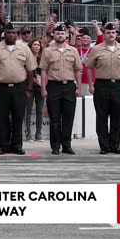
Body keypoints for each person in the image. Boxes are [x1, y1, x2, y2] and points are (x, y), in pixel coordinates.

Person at [0, 22, 37, 155]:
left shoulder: (24, 49)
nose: (11, 35)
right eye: (9, 32)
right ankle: (4, 146)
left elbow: (30, 70)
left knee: (18, 117)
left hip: (19, 88)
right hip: (1, 88)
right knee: (2, 118)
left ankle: (17, 145)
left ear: (17, 34)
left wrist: (29, 89)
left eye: (14, 32)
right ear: (4, 34)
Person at [86, 23, 120, 154]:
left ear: (116, 34)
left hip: (118, 86)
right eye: (108, 33)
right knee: (101, 117)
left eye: (113, 33)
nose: (111, 35)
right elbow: (89, 67)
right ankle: (104, 146)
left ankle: (115, 145)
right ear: (104, 33)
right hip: (102, 85)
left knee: (117, 117)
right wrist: (91, 84)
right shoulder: (96, 49)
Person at [40, 25, 82, 155]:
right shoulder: (48, 51)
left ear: (66, 36)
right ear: (54, 35)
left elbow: (78, 70)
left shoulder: (73, 51)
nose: (60, 35)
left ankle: (67, 145)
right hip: (54, 85)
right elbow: (44, 71)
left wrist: (79, 87)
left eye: (62, 33)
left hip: (69, 86)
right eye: (58, 33)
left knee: (68, 117)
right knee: (54, 118)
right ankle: (55, 146)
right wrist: (43, 87)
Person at [25, 39, 44, 142]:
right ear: (30, 46)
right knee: (28, 111)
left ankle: (39, 133)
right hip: (29, 87)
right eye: (34, 45)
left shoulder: (42, 58)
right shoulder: (27, 58)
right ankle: (28, 134)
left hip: (40, 87)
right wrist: (32, 80)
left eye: (38, 45)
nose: (36, 46)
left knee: (39, 111)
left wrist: (42, 83)